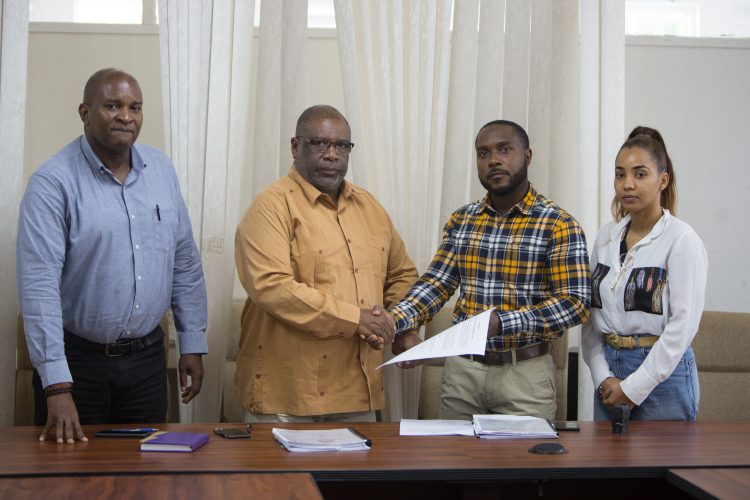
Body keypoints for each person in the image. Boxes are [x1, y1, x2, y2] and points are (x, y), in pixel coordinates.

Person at [17, 68, 208, 444]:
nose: (126, 116)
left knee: (147, 473)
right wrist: (56, 386)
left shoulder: (161, 170)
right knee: (72, 477)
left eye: (135, 107)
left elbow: (184, 259)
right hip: (78, 364)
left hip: (147, 361)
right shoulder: (52, 183)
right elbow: (39, 287)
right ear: (84, 112)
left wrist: (192, 342)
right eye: (112, 105)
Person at [388, 120, 590, 421]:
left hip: (525, 376)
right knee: (457, 467)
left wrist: (503, 321)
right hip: (463, 373)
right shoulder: (463, 220)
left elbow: (574, 302)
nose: (493, 160)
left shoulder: (558, 224)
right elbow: (437, 283)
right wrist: (395, 322)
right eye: (483, 153)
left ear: (528, 156)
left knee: (522, 467)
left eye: (505, 150)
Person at [233, 105, 418, 423]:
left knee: (355, 475)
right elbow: (272, 287)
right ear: (295, 146)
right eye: (320, 143)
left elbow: (402, 273)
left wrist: (398, 324)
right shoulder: (272, 206)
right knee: (282, 476)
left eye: (342, 146)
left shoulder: (369, 206)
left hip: (357, 391)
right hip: (288, 396)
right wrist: (358, 319)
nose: (332, 155)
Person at [582, 126, 707, 421]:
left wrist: (635, 387)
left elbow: (682, 329)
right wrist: (603, 377)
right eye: (620, 174)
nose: (627, 184)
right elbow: (590, 318)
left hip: (664, 376)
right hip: (609, 374)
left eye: (640, 174)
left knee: (660, 467)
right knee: (605, 467)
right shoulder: (604, 237)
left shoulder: (681, 240)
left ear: (662, 180)